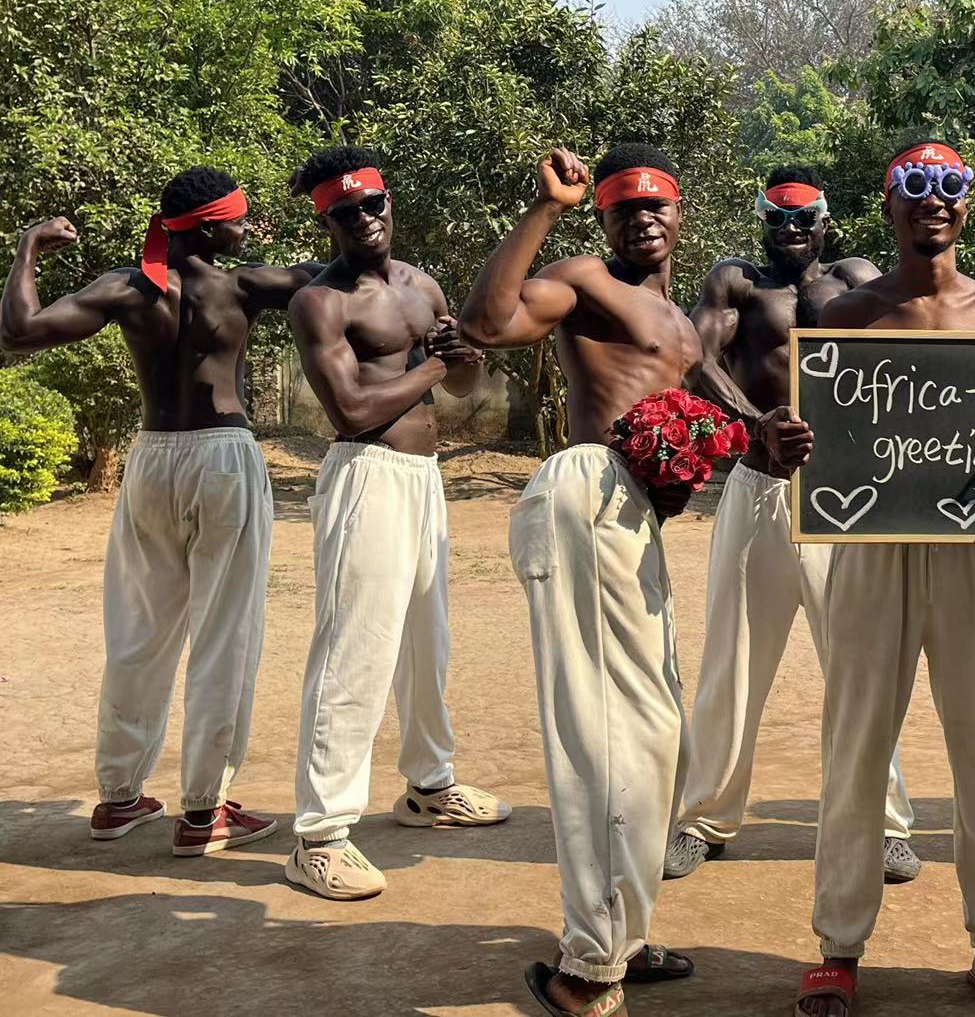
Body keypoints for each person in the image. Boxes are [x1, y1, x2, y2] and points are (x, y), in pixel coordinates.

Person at [458, 144, 811, 1017]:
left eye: (657, 204)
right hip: (585, 488)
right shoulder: (583, 278)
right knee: (602, 730)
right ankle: (588, 971)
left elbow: (710, 410)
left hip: (634, 520)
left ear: (680, 214)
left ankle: (621, 928)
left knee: (652, 732)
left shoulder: (683, 324)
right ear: (604, 219)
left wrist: (758, 432)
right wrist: (545, 210)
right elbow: (488, 321)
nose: (643, 218)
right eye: (624, 207)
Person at [792, 141, 975, 1017]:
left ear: (968, 205)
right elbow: (820, 431)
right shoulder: (850, 313)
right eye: (914, 186)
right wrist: (788, 441)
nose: (932, 200)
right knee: (857, 736)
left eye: (950, 186)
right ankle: (838, 945)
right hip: (873, 549)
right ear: (890, 203)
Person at [0, 169, 318, 857]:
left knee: (140, 629)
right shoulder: (243, 285)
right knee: (224, 633)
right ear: (208, 226)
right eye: (238, 218)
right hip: (224, 458)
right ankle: (205, 810)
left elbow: (19, 331)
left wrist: (27, 248)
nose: (247, 227)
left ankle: (120, 796)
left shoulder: (126, 287)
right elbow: (347, 272)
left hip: (152, 460)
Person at [667, 165, 920, 885]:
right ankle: (706, 816)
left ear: (827, 219)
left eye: (804, 217)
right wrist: (756, 423)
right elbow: (695, 358)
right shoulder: (737, 283)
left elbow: (912, 355)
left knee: (865, 661)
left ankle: (884, 821)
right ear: (761, 220)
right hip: (762, 487)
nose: (791, 231)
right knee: (735, 657)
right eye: (778, 218)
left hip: (849, 496)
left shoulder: (859, 276)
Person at [284, 145, 509, 902]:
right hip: (364, 475)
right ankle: (319, 836)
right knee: (355, 650)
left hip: (422, 477)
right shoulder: (322, 301)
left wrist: (461, 356)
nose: (365, 219)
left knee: (426, 641)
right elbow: (348, 410)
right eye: (345, 213)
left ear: (389, 202)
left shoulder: (423, 285)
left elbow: (466, 384)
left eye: (373, 204)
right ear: (327, 223)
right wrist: (433, 370)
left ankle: (429, 788)